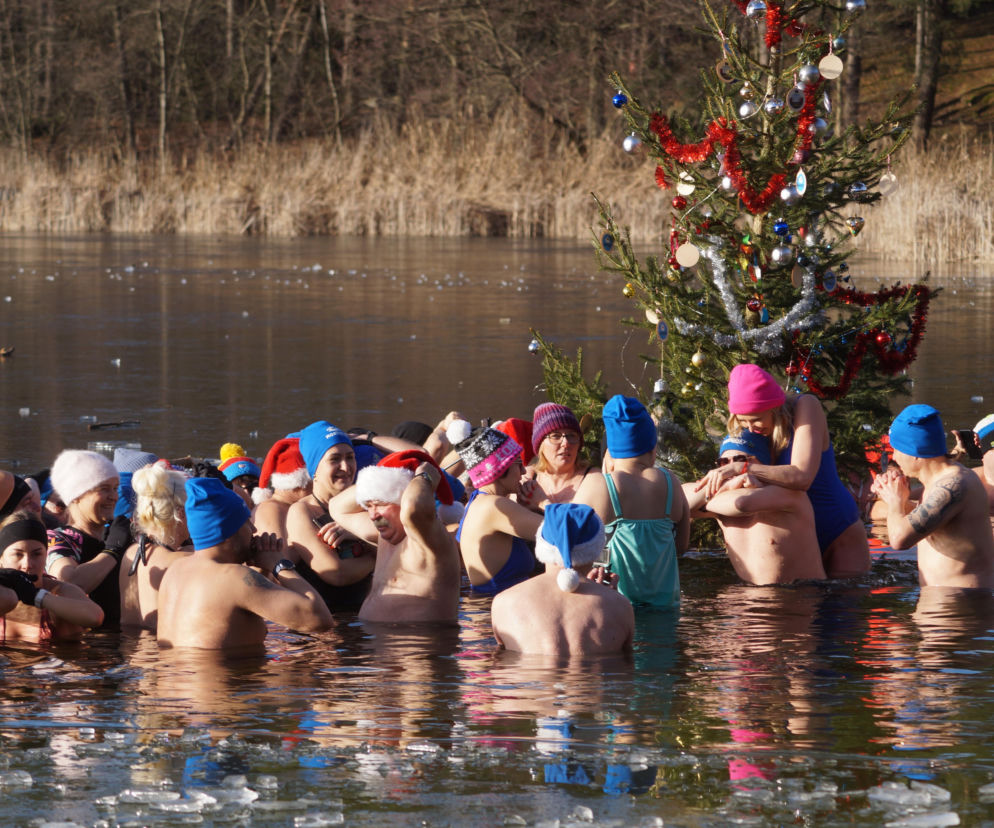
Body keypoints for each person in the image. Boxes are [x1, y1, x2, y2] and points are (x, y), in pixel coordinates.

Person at [698, 363, 870, 579]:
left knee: (842, 606)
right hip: (797, 532)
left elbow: (802, 477)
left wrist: (745, 467)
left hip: (838, 528)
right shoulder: (749, 429)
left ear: (774, 408)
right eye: (743, 421)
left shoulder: (805, 407)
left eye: (757, 419)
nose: (751, 428)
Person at [156, 477, 333, 652]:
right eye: (246, 522)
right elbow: (320, 619)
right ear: (228, 531)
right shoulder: (234, 577)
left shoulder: (174, 571)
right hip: (234, 678)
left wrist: (262, 569)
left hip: (175, 675)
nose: (254, 529)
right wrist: (279, 564)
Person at [574, 395, 688, 607]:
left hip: (617, 612)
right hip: (666, 611)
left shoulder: (600, 485)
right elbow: (681, 546)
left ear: (609, 453)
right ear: (653, 450)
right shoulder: (671, 482)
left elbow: (562, 537)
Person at [871, 404, 994, 588]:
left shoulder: (954, 485)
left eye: (897, 449)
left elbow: (898, 539)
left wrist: (896, 500)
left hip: (961, 611)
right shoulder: (940, 483)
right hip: (943, 607)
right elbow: (924, 518)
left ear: (916, 454)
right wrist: (891, 494)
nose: (894, 457)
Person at [331, 450, 461, 624]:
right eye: (368, 505)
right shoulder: (384, 536)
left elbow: (414, 507)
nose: (372, 515)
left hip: (418, 645)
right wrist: (374, 481)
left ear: (403, 500)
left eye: (381, 504)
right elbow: (337, 507)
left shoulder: (428, 537)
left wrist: (423, 477)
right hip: (375, 643)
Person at [491, 503, 634, 656]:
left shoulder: (503, 602)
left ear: (541, 542)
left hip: (529, 678)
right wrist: (607, 597)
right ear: (597, 547)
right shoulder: (620, 606)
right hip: (592, 678)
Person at [683, 433, 826, 585]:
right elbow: (679, 502)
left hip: (802, 594)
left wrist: (706, 499)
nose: (730, 469)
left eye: (739, 460)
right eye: (724, 462)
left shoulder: (789, 493)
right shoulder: (723, 497)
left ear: (760, 463)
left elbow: (742, 504)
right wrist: (726, 486)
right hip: (749, 596)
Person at [285, 420, 377, 611]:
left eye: (350, 457)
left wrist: (355, 531)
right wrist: (378, 554)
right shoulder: (302, 512)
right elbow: (336, 574)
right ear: (314, 470)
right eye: (334, 459)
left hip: (364, 621)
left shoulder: (366, 505)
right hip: (323, 629)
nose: (345, 466)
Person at [455, 427, 544, 594]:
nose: (524, 471)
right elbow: (563, 533)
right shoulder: (496, 506)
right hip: (496, 614)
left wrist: (526, 509)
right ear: (500, 468)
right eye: (518, 463)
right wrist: (543, 502)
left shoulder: (475, 502)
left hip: (485, 610)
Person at [46, 449, 129, 628]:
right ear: (76, 495)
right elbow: (68, 584)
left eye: (115, 488)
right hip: (87, 647)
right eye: (104, 489)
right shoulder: (57, 539)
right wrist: (112, 551)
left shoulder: (118, 534)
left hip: (125, 644)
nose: (114, 497)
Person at [0, 510, 104, 642]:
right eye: (18, 555)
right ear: (1, 558)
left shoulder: (59, 592)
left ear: (46, 556)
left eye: (36, 554)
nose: (27, 564)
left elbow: (95, 617)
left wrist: (37, 596)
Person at [119, 462, 193, 631]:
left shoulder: (131, 554)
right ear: (181, 512)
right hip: (166, 654)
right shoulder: (183, 561)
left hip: (134, 653)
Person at [527, 403, 598, 504]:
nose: (566, 443)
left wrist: (542, 503)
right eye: (556, 436)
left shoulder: (593, 478)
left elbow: (582, 519)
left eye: (572, 436)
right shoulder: (526, 478)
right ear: (540, 444)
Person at [251, 437, 312, 545]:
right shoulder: (271, 509)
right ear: (301, 483)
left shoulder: (290, 506)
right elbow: (280, 557)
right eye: (315, 478)